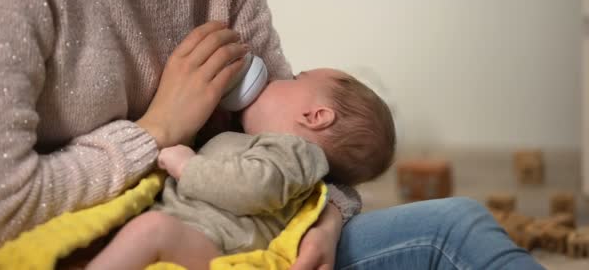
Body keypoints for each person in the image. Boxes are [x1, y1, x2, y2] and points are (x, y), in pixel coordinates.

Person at [0, 0, 545, 268]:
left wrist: (324, 220)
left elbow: (314, 145)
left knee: (457, 226)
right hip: (104, 248)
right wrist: (155, 133)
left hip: (250, 246)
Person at [87, 68, 396, 270]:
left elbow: (253, 188)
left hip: (217, 246)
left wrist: (188, 166)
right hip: (199, 235)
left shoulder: (295, 154)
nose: (276, 76)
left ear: (315, 116)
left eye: (294, 78)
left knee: (151, 229)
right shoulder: (264, 148)